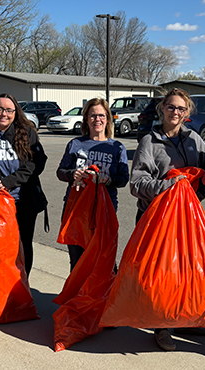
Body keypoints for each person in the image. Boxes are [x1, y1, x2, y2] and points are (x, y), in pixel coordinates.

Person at [129, 88, 205, 351]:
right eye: (171, 107)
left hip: (186, 219)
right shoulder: (149, 142)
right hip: (156, 219)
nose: (176, 112)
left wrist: (200, 189)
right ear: (162, 109)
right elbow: (136, 183)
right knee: (163, 275)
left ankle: (185, 319)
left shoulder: (194, 139)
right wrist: (166, 186)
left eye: (181, 108)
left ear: (187, 112)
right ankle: (162, 325)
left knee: (187, 273)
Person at [0, 93, 47, 277]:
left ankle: (22, 285)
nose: (3, 114)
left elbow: (36, 163)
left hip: (24, 201)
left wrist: (6, 183)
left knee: (23, 244)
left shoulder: (27, 132)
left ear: (15, 112)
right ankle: (3, 287)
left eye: (8, 110)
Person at [56, 98, 129, 271]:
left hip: (105, 209)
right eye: (93, 115)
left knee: (104, 258)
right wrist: (73, 174)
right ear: (86, 119)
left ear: (108, 119)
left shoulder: (117, 147)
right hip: (76, 209)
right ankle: (77, 297)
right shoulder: (76, 144)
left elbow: (123, 179)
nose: (97, 119)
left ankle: (105, 297)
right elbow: (60, 172)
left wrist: (107, 180)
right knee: (77, 261)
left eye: (101, 115)